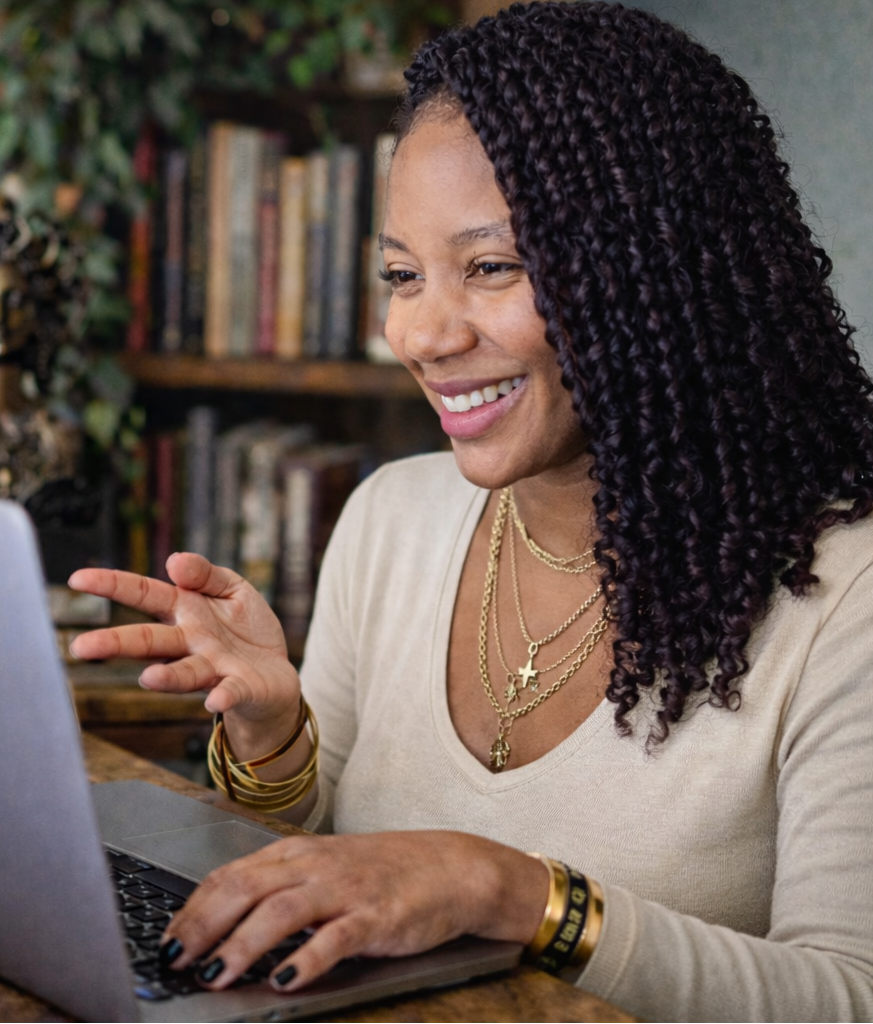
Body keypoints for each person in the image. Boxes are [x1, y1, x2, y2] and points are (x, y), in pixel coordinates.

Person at [68, 3, 873, 1020]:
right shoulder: (388, 519)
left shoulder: (845, 600)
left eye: (490, 266)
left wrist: (512, 892)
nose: (418, 331)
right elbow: (345, 866)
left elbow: (850, 993)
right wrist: (275, 740)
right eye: (400, 275)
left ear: (651, 270)